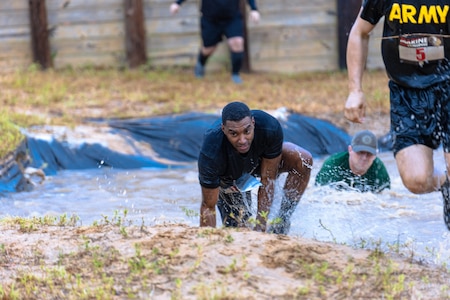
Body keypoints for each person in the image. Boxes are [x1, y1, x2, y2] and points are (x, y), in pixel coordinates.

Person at [344, 1, 450, 229]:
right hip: (406, 93)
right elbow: (360, 32)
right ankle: (446, 182)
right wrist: (355, 90)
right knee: (416, 180)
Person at [197, 101, 313, 234]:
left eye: (247, 131)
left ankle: (282, 221)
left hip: (259, 162)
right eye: (234, 134)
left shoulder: (269, 127)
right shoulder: (211, 150)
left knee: (303, 159)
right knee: (240, 230)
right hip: (229, 178)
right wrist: (206, 242)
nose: (242, 140)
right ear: (223, 129)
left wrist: (260, 227)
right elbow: (208, 206)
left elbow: (268, 179)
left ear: (253, 122)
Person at [169, 0, 260, 84]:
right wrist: (177, 3)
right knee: (209, 48)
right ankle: (201, 64)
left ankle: (235, 74)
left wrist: (253, 9)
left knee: (237, 42)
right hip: (210, 19)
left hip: (232, 18)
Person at [315, 130, 390, 193]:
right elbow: (319, 195)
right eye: (360, 152)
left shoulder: (379, 170)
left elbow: (385, 198)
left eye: (369, 154)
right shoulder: (333, 165)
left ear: (376, 154)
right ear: (350, 150)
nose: (364, 158)